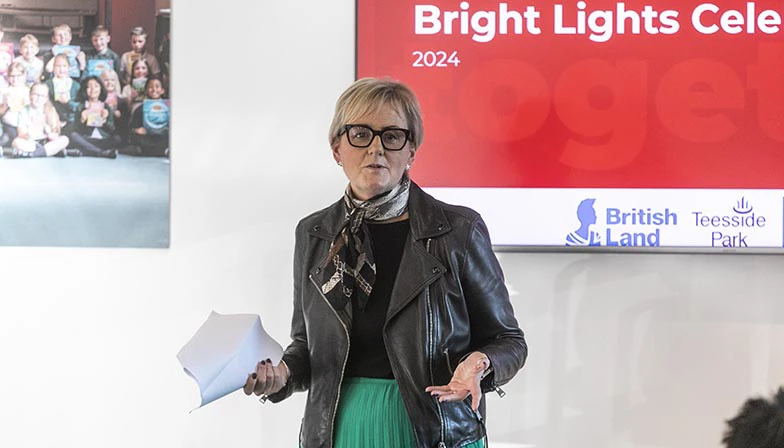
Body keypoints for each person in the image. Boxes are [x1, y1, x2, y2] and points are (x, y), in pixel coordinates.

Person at [243, 77, 527, 448]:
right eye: (360, 134)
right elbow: (306, 346)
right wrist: (281, 376)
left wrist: (480, 363)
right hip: (340, 429)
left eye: (392, 136)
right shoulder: (314, 233)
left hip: (435, 430)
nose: (376, 148)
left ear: (411, 151)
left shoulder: (458, 230)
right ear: (337, 148)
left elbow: (508, 340)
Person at [8, 82, 69, 158]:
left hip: (47, 142)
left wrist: (49, 134)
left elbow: (55, 133)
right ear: (30, 95)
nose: (39, 98)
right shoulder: (23, 111)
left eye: (42, 96)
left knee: (64, 139)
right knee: (16, 142)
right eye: (36, 94)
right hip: (32, 143)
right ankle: (47, 152)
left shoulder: (51, 111)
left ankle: (35, 154)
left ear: (46, 98)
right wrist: (32, 130)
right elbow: (21, 134)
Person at [68, 76, 119, 158]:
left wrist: (105, 121)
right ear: (85, 90)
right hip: (87, 139)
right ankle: (101, 153)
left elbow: (112, 129)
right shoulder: (81, 107)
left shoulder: (105, 106)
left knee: (117, 139)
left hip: (102, 140)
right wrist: (82, 120)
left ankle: (87, 151)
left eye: (96, 86)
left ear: (101, 89)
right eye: (89, 87)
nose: (93, 89)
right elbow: (76, 129)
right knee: (73, 136)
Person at [125, 76, 168, 157]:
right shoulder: (140, 109)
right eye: (150, 87)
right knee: (137, 139)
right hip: (147, 137)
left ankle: (146, 151)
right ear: (146, 90)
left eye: (157, 86)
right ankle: (163, 151)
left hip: (162, 136)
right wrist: (137, 130)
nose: (154, 89)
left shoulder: (169, 108)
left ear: (162, 90)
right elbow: (131, 129)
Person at [45, 54, 79, 132]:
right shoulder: (48, 84)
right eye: (58, 66)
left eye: (64, 66)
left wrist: (68, 102)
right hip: (52, 120)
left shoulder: (75, 85)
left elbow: (80, 106)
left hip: (71, 121)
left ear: (69, 67)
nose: (61, 69)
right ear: (53, 67)